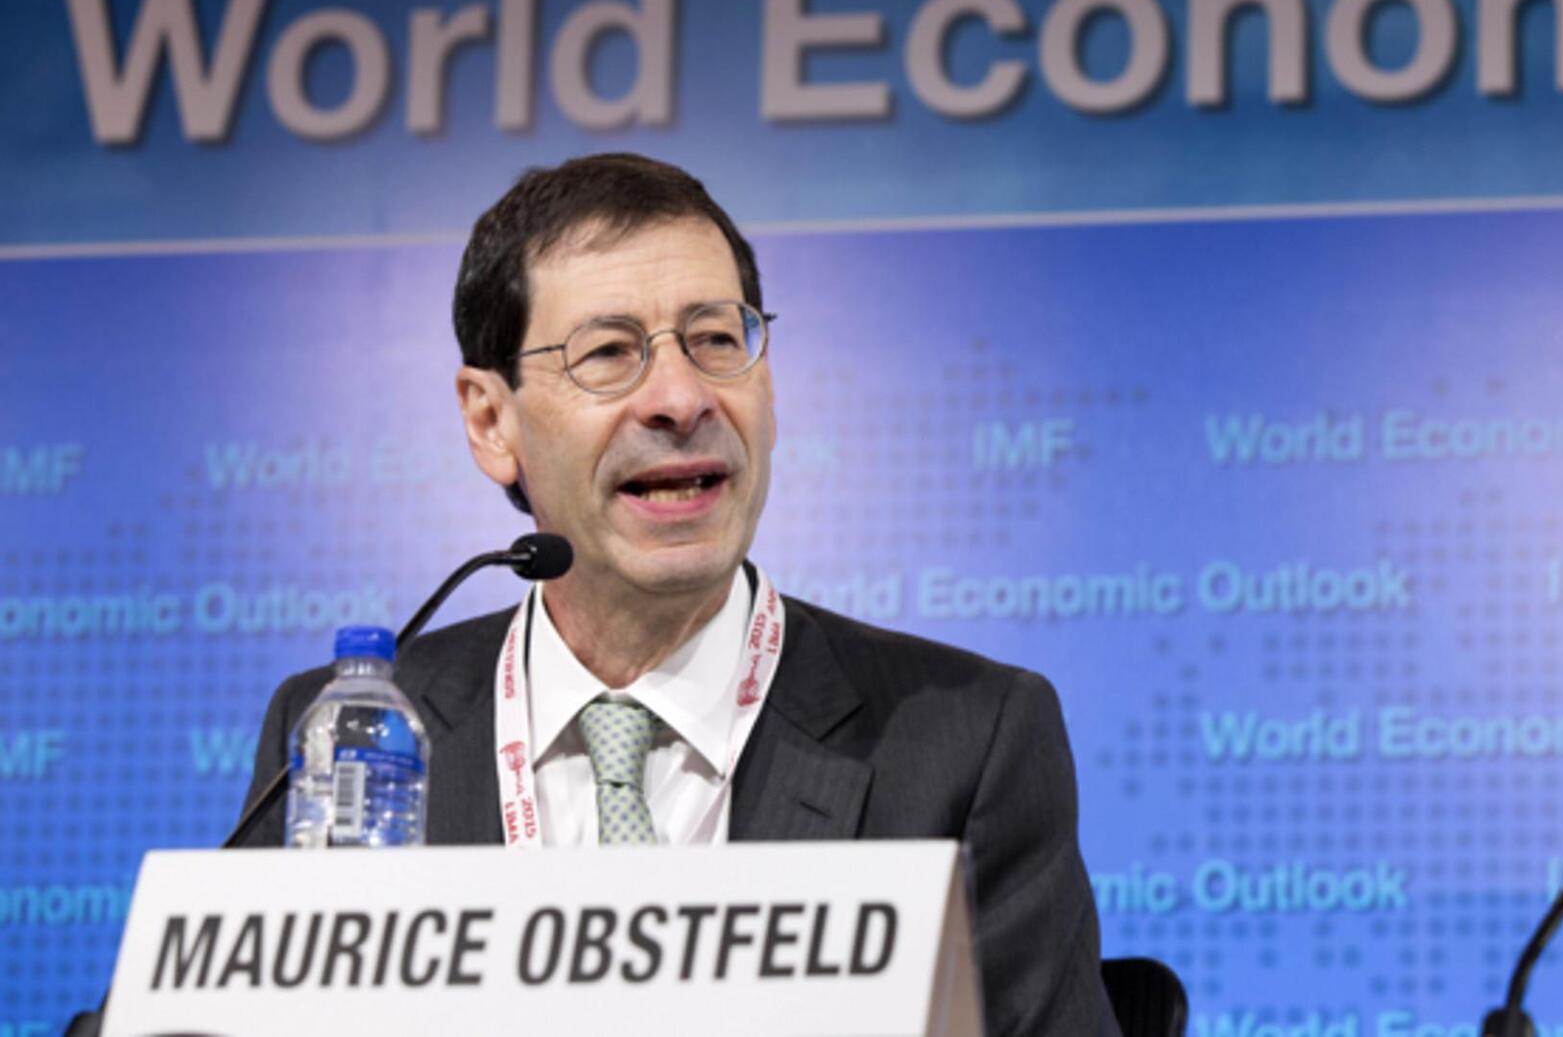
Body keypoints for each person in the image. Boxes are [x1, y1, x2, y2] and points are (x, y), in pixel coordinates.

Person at [231, 153, 1122, 1036]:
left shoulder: (968, 743)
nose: (681, 397)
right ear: (491, 420)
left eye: (717, 340)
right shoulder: (346, 736)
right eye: (609, 352)